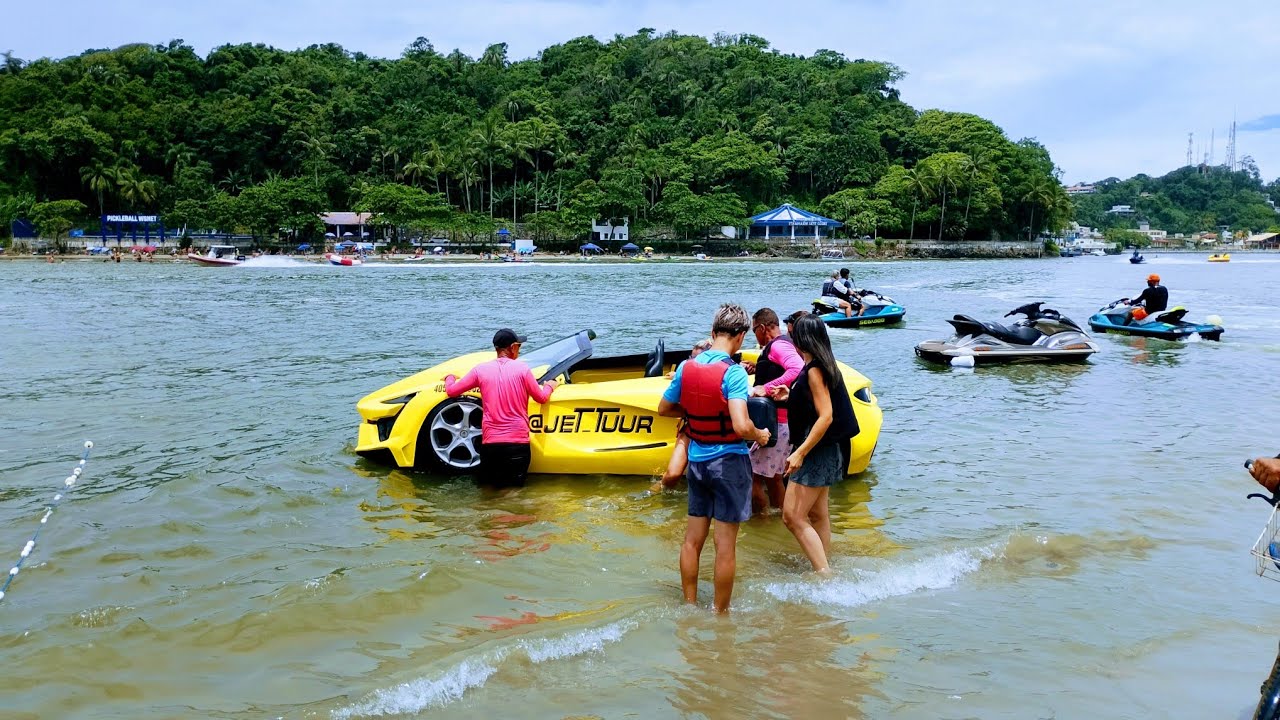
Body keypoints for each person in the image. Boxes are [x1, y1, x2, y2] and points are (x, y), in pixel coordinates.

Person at [658, 303, 771, 613]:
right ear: (742, 336)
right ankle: (720, 615)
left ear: (713, 332)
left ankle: (690, 606)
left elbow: (664, 409)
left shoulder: (686, 367)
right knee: (724, 546)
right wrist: (760, 434)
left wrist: (696, 413)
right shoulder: (733, 373)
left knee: (692, 540)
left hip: (697, 461)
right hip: (729, 463)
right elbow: (741, 426)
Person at [776, 314, 859, 575]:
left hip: (815, 451)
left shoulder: (814, 370)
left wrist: (800, 453)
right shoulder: (824, 364)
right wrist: (790, 396)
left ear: (801, 339)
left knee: (792, 517)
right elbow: (818, 403)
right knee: (818, 515)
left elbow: (826, 416)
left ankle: (824, 574)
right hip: (829, 448)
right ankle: (824, 565)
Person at [442, 328, 560, 486]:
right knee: (513, 493)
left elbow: (451, 391)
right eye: (519, 346)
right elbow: (541, 398)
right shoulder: (523, 369)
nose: (519, 350)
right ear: (512, 347)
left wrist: (450, 377)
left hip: (491, 445)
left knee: (490, 490)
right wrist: (550, 386)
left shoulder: (480, 370)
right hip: (517, 444)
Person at [744, 308, 804, 513]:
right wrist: (757, 367)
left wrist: (766, 388)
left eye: (754, 330)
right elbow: (783, 368)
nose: (755, 335)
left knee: (752, 476)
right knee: (773, 478)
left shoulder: (778, 345)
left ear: (762, 328)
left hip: (775, 423)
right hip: (784, 422)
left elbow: (797, 368)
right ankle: (783, 520)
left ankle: (761, 523)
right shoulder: (785, 344)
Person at [653, 338, 713, 490]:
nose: (692, 362)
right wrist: (692, 411)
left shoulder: (727, 372)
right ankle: (650, 495)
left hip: (713, 431)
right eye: (691, 358)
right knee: (672, 475)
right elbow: (663, 409)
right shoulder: (684, 369)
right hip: (692, 425)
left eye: (697, 359)